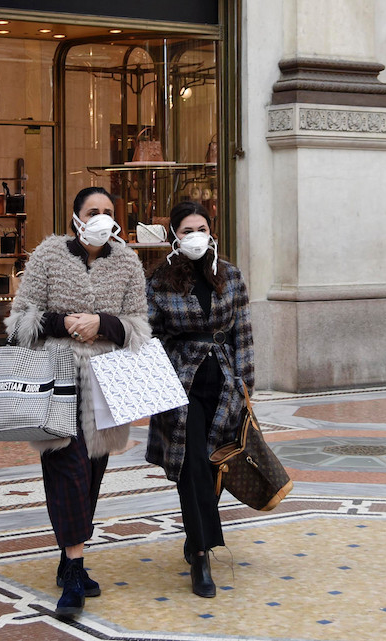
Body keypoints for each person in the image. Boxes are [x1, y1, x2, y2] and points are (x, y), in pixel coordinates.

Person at [5, 187, 150, 618]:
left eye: (108, 212)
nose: (102, 218)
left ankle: (70, 555)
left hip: (107, 387)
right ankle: (73, 568)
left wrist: (103, 322)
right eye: (94, 211)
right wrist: (63, 322)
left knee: (91, 476)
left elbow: (139, 326)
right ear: (76, 217)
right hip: (57, 381)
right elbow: (19, 320)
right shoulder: (49, 256)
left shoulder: (127, 261)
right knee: (67, 470)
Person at [145, 201, 255, 598]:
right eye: (187, 230)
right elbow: (149, 336)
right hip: (180, 384)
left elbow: (243, 331)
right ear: (175, 235)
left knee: (213, 466)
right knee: (191, 465)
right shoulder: (159, 281)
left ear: (212, 232)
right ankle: (203, 555)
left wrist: (247, 388)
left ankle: (194, 540)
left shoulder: (230, 276)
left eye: (201, 228)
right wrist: (157, 385)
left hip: (223, 381)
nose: (196, 237)